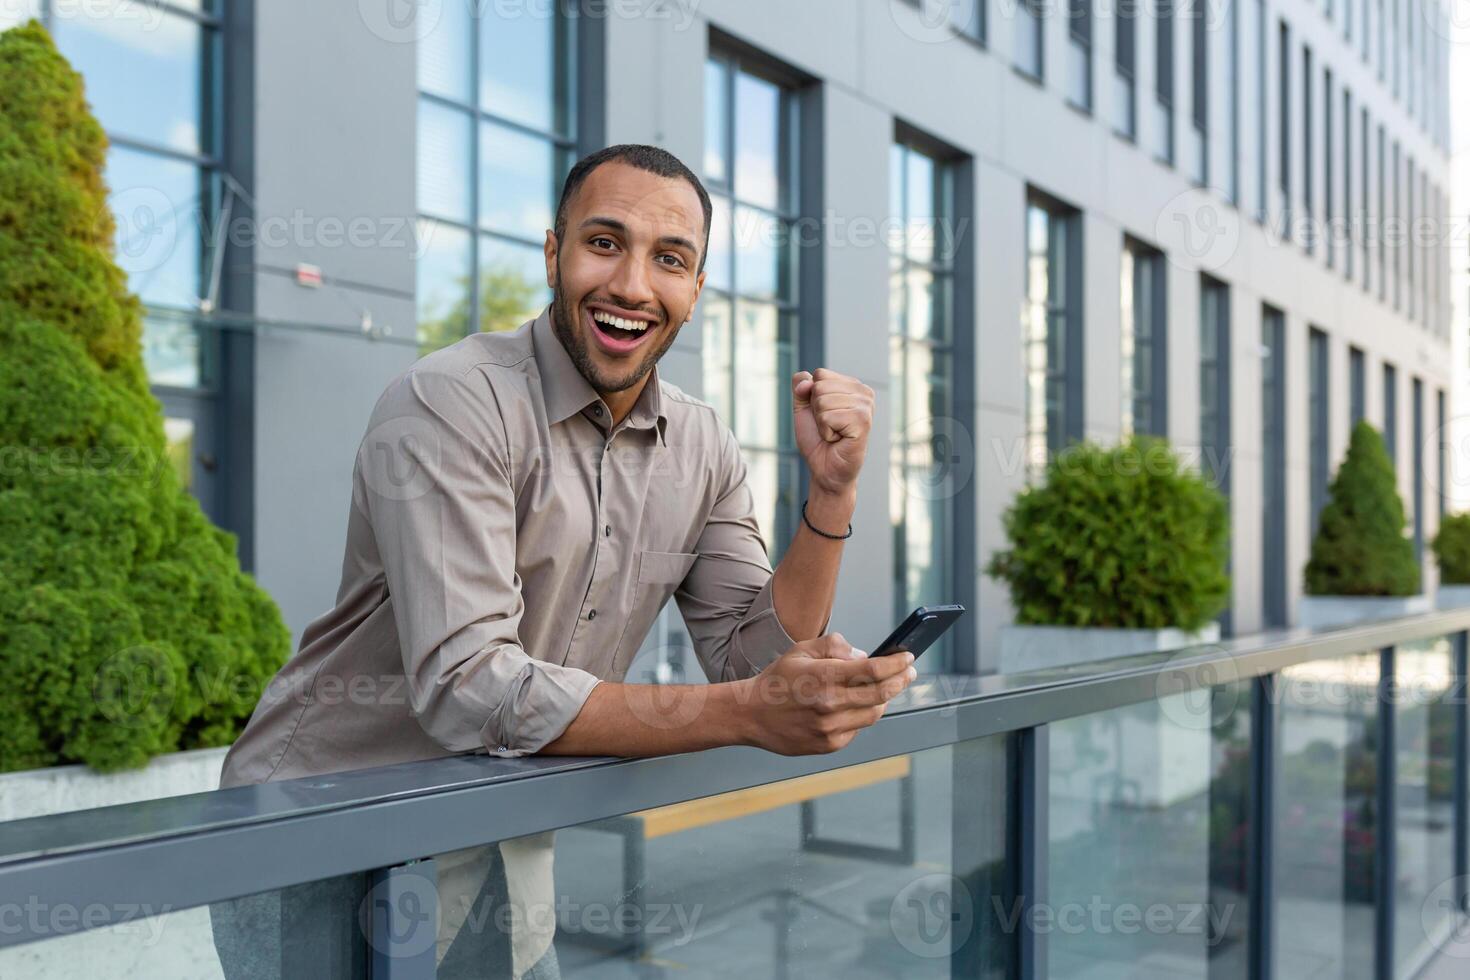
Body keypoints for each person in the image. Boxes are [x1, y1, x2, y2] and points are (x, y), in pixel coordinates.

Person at [210, 144, 915, 979]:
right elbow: (469, 683)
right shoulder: (450, 403)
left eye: (670, 260)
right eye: (604, 243)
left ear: (695, 290)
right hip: (326, 832)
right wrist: (751, 712)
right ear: (554, 254)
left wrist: (831, 496)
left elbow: (755, 655)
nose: (631, 285)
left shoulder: (703, 443)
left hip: (502, 823)